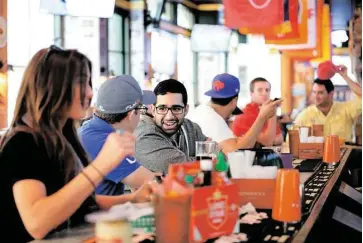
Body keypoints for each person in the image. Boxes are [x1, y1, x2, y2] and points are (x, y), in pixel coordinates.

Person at [0, 46, 152, 242]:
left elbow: (80, 204)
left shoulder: (65, 137)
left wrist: (131, 199)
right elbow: (37, 223)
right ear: (54, 87)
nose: (89, 92)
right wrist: (100, 166)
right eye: (81, 83)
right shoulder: (23, 141)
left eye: (89, 83)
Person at [78, 75, 156, 195]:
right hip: (100, 213)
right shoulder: (103, 142)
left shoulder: (90, 131)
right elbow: (152, 182)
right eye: (140, 110)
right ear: (131, 114)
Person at [188, 73, 282, 153]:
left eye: (267, 90)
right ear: (234, 101)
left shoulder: (201, 111)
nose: (264, 94)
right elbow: (235, 153)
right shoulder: (212, 119)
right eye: (260, 90)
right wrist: (262, 117)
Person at [134, 79, 208, 174]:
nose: (169, 117)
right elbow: (175, 168)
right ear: (153, 110)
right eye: (162, 108)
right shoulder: (144, 135)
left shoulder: (191, 128)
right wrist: (205, 161)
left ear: (186, 110)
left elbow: (217, 156)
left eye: (176, 108)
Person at [294, 65, 362, 141]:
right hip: (316, 152)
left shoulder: (346, 110)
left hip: (343, 152)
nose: (316, 97)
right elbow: (291, 139)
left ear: (331, 94)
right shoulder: (305, 115)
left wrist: (345, 76)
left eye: (320, 93)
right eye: (314, 92)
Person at [232, 77, 283, 147]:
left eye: (267, 90)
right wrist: (273, 112)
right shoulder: (244, 115)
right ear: (251, 94)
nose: (265, 93)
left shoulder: (263, 111)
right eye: (260, 90)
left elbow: (280, 138)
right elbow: (268, 142)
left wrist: (270, 138)